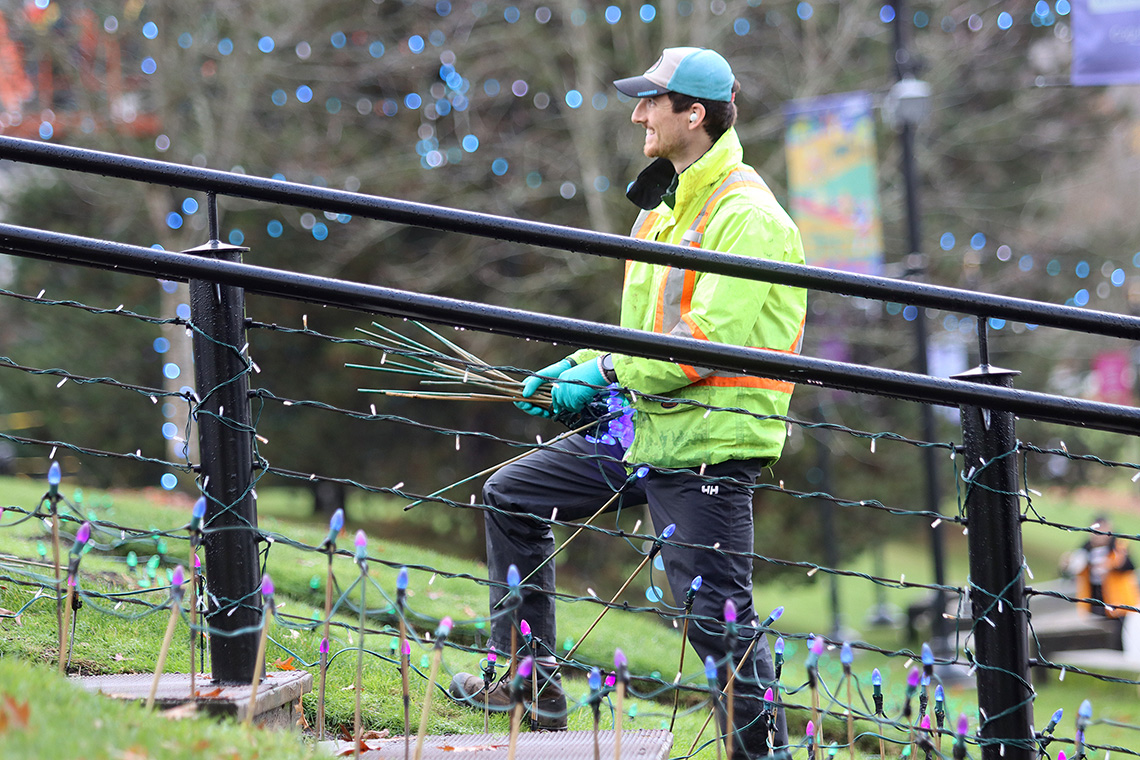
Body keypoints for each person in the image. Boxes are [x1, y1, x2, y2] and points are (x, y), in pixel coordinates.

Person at [449, 47, 806, 757]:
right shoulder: (662, 208)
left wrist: (606, 370)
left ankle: (762, 753)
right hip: (643, 428)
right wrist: (577, 367)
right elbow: (640, 335)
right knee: (513, 495)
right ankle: (530, 682)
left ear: (693, 113)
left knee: (715, 615)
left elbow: (704, 343)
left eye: (652, 102)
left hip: (709, 442)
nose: (638, 114)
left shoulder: (749, 216)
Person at [1063, 514, 1140, 655]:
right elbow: (1072, 572)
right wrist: (1067, 565)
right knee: (1100, 643)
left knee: (1122, 642)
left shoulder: (1118, 547)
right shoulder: (1085, 550)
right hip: (1096, 602)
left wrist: (1111, 565)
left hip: (1120, 604)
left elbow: (1129, 566)